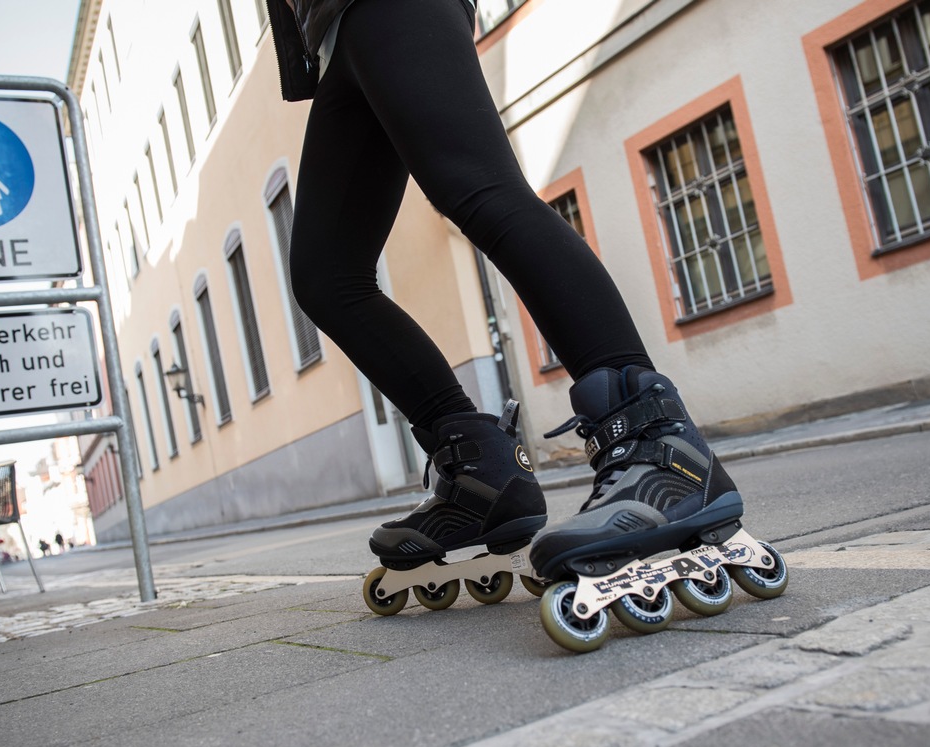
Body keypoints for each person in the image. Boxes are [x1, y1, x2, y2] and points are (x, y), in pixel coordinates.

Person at [267, 1, 744, 592]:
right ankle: (482, 475)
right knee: (325, 277)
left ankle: (657, 444)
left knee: (479, 188)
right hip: (334, 32)